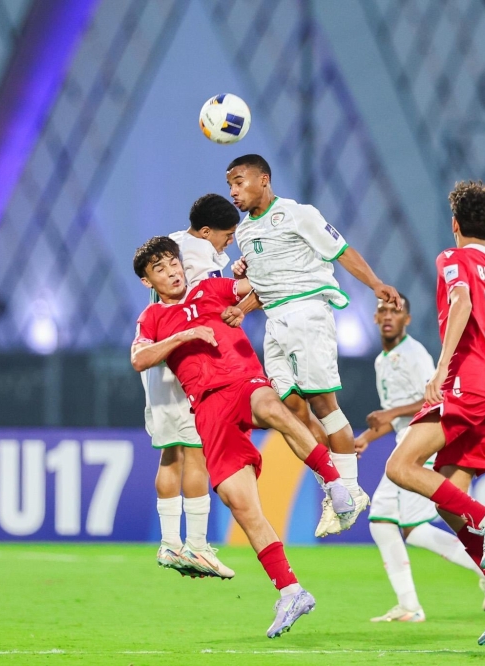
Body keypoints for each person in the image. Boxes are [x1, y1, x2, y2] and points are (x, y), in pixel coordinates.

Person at [131, 235, 357, 638]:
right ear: (149, 282)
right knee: (241, 503)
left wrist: (246, 271)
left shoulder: (209, 288)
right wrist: (185, 336)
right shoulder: (152, 320)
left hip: (243, 381)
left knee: (274, 408)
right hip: (208, 410)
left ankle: (337, 487)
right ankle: (290, 591)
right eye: (160, 269)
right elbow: (138, 358)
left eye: (173, 263)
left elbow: (256, 286)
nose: (172, 272)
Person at [384, 181, 485, 646]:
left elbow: (463, 302)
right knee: (448, 503)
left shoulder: (453, 259)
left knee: (400, 467)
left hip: (463, 382)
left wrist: (443, 370)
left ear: (454, 224)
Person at [225, 153, 402, 537]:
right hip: (275, 323)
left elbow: (341, 250)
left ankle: (350, 491)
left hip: (307, 314)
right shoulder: (244, 233)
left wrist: (376, 285)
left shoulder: (297, 213)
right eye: (230, 185)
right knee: (289, 411)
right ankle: (335, 487)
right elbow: (268, 282)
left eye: (240, 181)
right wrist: (242, 309)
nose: (234, 191)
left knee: (323, 405)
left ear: (264, 179)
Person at [354, 295, 485, 622]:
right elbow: (394, 417)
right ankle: (409, 605)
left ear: (407, 320)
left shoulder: (415, 354)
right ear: (375, 317)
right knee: (382, 522)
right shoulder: (381, 361)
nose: (388, 316)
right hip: (404, 441)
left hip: (422, 445)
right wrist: (366, 439)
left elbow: (435, 399)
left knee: (414, 530)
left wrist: (392, 413)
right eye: (383, 310)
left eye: (395, 311)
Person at [145, 194, 239, 579]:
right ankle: (197, 547)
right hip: (184, 364)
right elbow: (217, 297)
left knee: (171, 454)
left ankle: (170, 544)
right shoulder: (197, 254)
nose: (228, 242)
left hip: (159, 359)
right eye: (226, 235)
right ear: (204, 232)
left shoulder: (173, 244)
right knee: (197, 452)